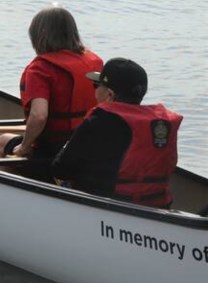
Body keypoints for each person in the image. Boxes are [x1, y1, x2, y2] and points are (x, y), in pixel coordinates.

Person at [52, 58, 182, 208]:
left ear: (109, 94)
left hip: (104, 208)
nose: (94, 90)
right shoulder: (159, 125)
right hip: (155, 206)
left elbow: (61, 169)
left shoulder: (96, 122)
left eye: (96, 85)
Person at [0, 7, 103, 163]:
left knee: (2, 141)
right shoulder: (94, 62)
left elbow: (39, 116)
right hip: (89, 146)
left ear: (38, 36)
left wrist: (24, 147)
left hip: (53, 152)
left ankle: (11, 186)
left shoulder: (41, 69)